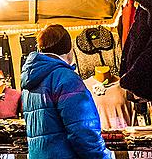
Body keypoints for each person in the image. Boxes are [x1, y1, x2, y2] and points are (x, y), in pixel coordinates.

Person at [21, 25, 109, 159]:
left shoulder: (30, 82)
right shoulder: (66, 78)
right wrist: (103, 156)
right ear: (69, 49)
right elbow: (82, 129)